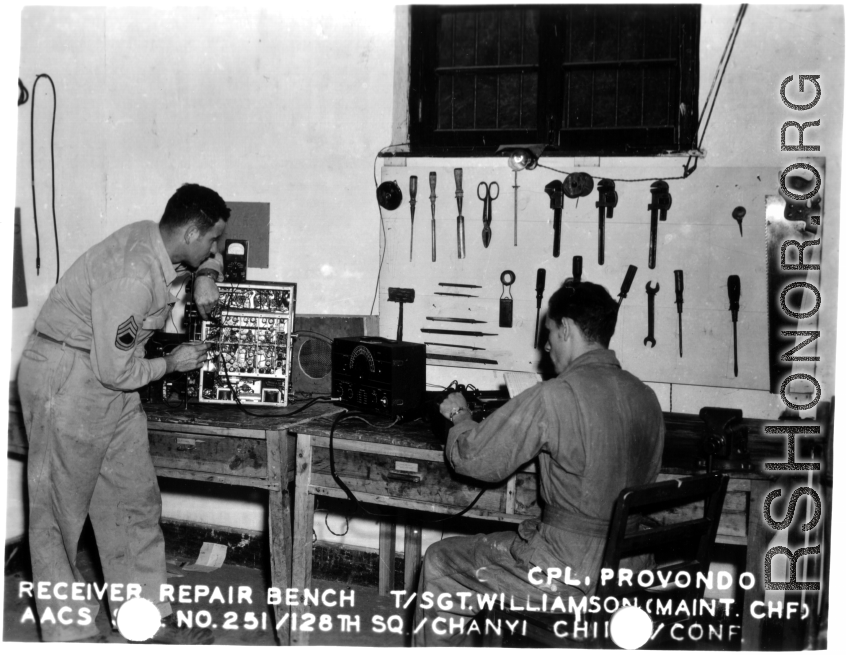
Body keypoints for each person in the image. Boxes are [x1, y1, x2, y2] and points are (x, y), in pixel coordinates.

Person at [17, 183, 230, 643]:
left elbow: (117, 365)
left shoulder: (157, 240)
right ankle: (70, 634)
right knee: (58, 514)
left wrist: (205, 273)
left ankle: (146, 619)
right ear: (191, 231)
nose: (217, 250)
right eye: (211, 241)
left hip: (108, 379)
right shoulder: (133, 274)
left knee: (134, 499)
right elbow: (116, 369)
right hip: (66, 376)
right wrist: (171, 364)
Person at [414, 279, 665, 647]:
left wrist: (460, 417)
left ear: (565, 329)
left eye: (549, 332)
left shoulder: (555, 395)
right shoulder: (647, 397)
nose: (546, 345)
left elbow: (476, 459)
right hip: (631, 572)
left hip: (567, 579)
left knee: (440, 561)